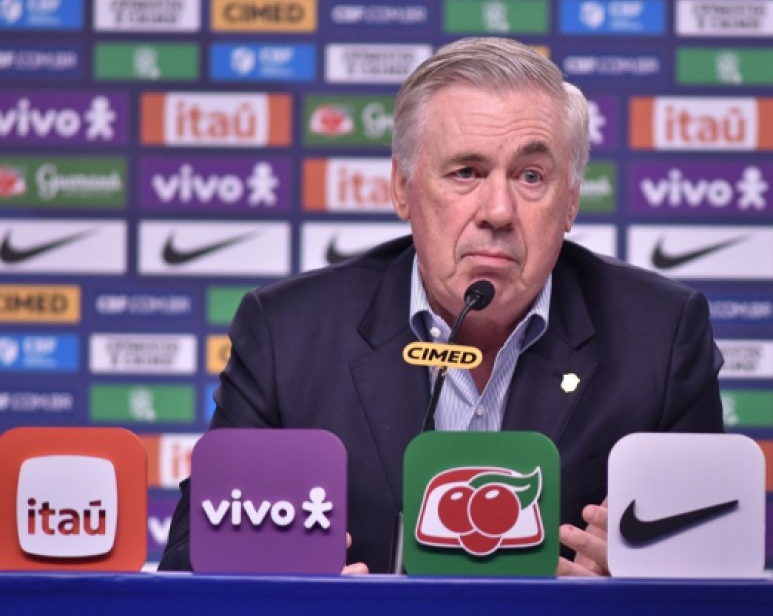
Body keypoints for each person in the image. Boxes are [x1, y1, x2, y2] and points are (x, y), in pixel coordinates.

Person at [159, 36, 724, 576]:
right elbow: (192, 561)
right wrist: (295, 595)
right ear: (401, 188)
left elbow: (710, 576)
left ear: (571, 201)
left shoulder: (661, 338)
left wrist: (629, 592)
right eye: (466, 173)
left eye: (531, 176)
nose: (498, 211)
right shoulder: (288, 336)